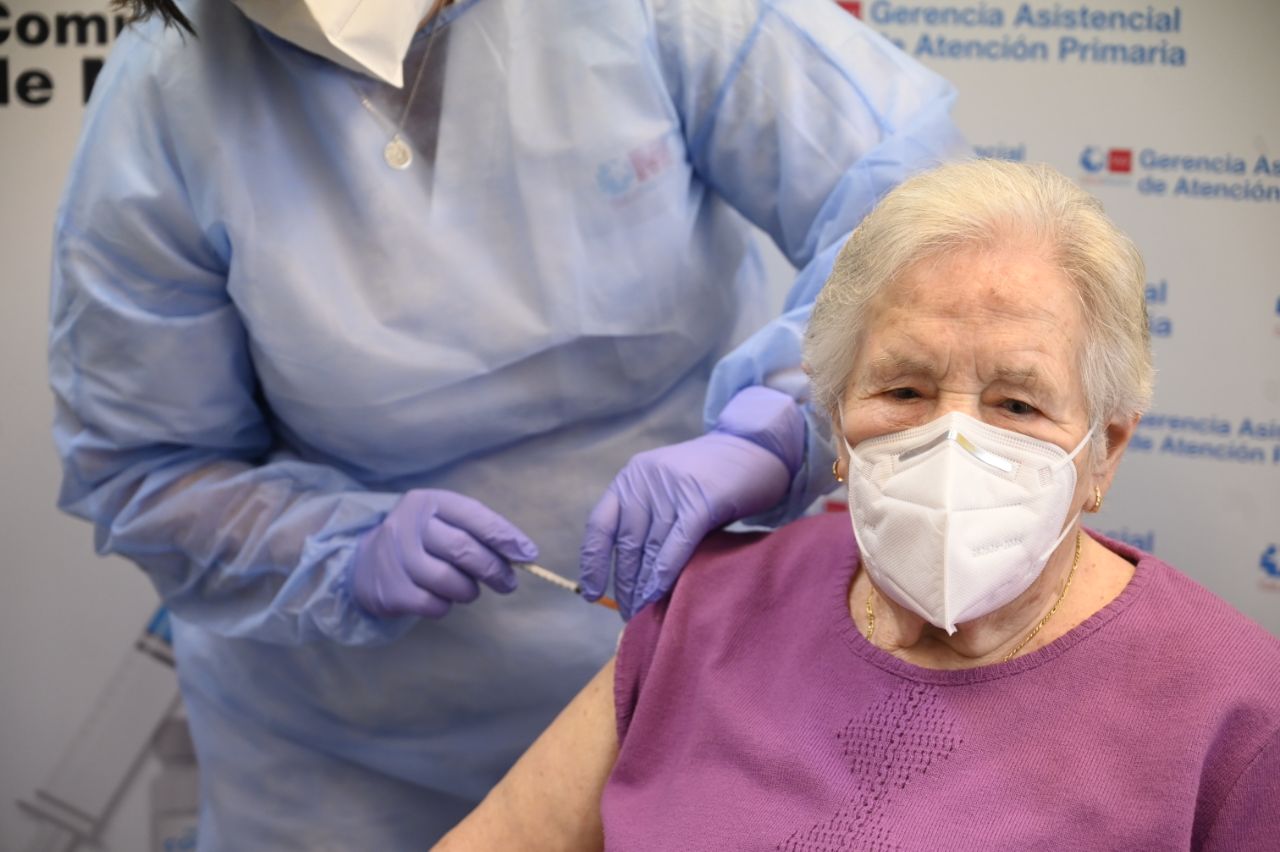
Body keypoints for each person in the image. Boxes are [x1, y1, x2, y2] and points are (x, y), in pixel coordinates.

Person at [48, 0, 967, 845]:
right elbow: (148, 468)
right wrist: (343, 551)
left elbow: (920, 217)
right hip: (338, 760)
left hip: (681, 696)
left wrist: (784, 418)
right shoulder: (169, 97)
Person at [436, 160, 1280, 850]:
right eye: (904, 389)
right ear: (837, 420)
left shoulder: (1234, 713)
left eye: (1018, 405)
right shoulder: (707, 610)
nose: (952, 444)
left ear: (1105, 450)